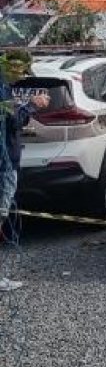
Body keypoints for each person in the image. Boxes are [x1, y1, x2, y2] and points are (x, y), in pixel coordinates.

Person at [0, 50, 49, 292]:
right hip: (4, 163)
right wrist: (32, 105)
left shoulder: (6, 89)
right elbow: (13, 120)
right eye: (20, 71)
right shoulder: (2, 89)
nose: (21, 78)